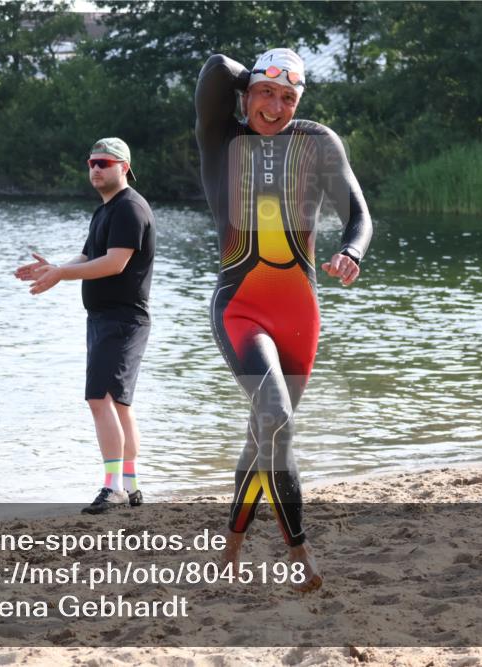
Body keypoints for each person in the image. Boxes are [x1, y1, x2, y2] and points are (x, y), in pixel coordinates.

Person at [195, 48, 372, 591]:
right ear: (246, 94)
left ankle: (231, 549)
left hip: (300, 315)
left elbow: (359, 216)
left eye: (288, 97)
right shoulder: (221, 139)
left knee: (266, 433)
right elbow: (214, 70)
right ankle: (301, 554)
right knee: (276, 416)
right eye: (265, 94)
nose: (275, 106)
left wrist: (352, 253)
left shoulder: (318, 142)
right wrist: (258, 73)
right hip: (241, 306)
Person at [15, 138, 156, 512]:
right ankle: (131, 484)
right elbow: (90, 255)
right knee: (119, 404)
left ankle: (114, 487)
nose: (96, 169)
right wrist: (56, 268)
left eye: (104, 163)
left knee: (101, 399)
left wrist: (63, 273)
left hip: (122, 319)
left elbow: (115, 263)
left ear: (123, 167)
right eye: (92, 162)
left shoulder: (129, 209)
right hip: (106, 319)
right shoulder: (106, 210)